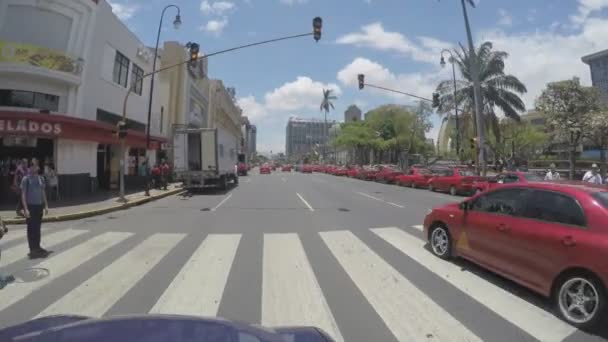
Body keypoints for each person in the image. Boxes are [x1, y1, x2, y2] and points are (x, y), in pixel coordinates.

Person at [21, 161, 50, 259]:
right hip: (30, 207)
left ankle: (37, 246)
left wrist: (46, 205)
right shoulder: (26, 179)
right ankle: (32, 248)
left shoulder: (41, 178)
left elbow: (43, 192)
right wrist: (26, 209)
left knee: (37, 227)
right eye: (32, 166)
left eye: (36, 166)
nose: (34, 168)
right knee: (31, 228)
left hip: (39, 206)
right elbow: (23, 195)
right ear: (29, 168)